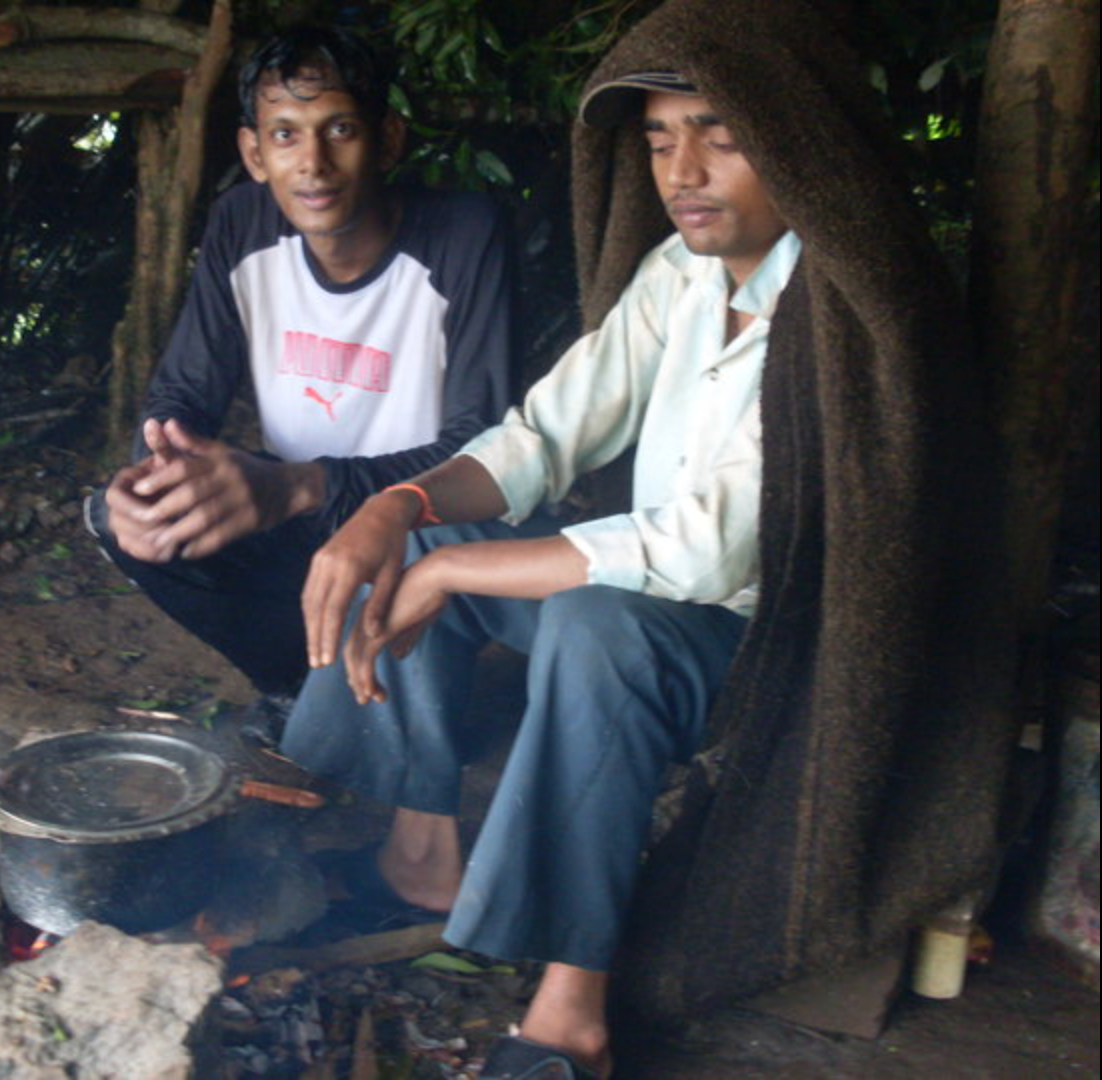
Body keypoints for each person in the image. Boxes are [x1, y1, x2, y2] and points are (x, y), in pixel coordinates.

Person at [282, 0, 1012, 1075]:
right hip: (665, 601)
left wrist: (454, 565)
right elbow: (544, 437)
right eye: (663, 139)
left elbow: (715, 549)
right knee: (420, 548)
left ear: (799, 140)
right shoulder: (681, 275)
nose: (684, 170)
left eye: (721, 135)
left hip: (785, 651)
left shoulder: (851, 306)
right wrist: (401, 511)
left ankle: (573, 1008)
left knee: (592, 630)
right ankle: (420, 842)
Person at [87, 24, 512, 720]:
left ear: (388, 139)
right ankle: (294, 684)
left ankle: (363, 693)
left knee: (432, 541)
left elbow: (483, 447)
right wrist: (157, 468)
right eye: (285, 135)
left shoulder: (464, 234)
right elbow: (183, 392)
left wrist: (301, 487)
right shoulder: (242, 224)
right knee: (123, 517)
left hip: (413, 524)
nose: (312, 162)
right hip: (291, 515)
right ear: (254, 152)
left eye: (339, 129)